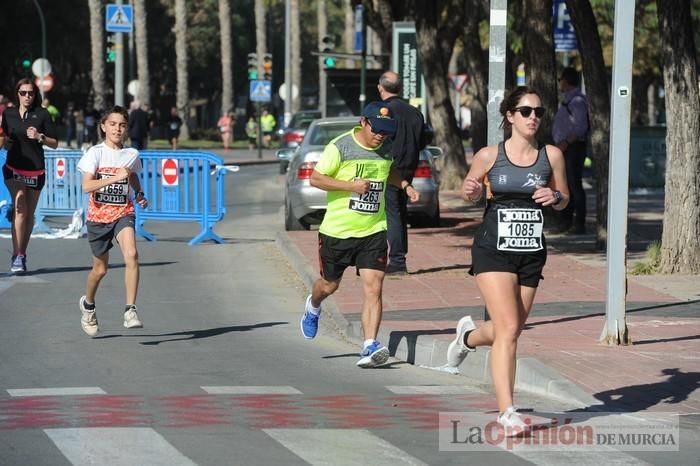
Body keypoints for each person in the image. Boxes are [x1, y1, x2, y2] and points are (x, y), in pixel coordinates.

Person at [446, 86, 569, 434]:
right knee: (510, 331)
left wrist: (555, 195)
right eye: (527, 111)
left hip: (531, 252)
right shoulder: (489, 155)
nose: (534, 118)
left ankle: (467, 337)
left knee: (506, 329)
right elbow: (469, 188)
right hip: (492, 248)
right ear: (510, 116)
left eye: (539, 112)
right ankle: (507, 411)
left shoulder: (552, 155)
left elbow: (564, 198)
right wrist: (470, 190)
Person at [299, 101, 420, 368]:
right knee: (329, 285)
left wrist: (406, 185)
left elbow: (389, 172)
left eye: (386, 131)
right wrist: (350, 186)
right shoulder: (340, 147)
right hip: (338, 231)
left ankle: (369, 344)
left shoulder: (386, 147)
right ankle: (314, 305)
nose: (380, 135)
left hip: (373, 230)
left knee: (374, 286)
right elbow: (316, 179)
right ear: (363, 122)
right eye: (376, 129)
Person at [76, 106, 148, 337]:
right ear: (103, 127)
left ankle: (130, 311)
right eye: (113, 124)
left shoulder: (132, 155)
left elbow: (132, 175)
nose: (118, 128)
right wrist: (113, 178)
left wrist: (139, 194)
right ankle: (88, 305)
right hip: (98, 217)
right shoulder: (94, 153)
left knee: (132, 254)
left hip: (122, 212)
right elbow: (86, 186)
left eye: (122, 125)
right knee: (100, 269)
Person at [0, 78, 58, 274]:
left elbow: (54, 143)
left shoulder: (42, 114)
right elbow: (4, 140)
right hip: (13, 168)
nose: (27, 96)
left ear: (35, 95)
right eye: (23, 92)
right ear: (17, 93)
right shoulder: (8, 114)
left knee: (28, 215)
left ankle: (22, 253)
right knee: (20, 205)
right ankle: (16, 254)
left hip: (35, 170)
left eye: (30, 93)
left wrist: (41, 137)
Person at [377, 70, 425, 275]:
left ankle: (396, 261)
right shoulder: (415, 112)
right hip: (409, 167)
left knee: (393, 214)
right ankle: (399, 255)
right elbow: (423, 141)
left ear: (381, 88)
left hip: (389, 168)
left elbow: (376, 140)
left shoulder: (383, 111)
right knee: (399, 212)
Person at [552, 67, 589, 235]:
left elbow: (581, 127)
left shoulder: (577, 101)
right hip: (565, 148)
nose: (560, 83)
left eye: (561, 80)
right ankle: (565, 222)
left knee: (574, 185)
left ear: (566, 82)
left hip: (573, 148)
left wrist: (566, 142)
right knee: (565, 185)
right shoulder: (569, 100)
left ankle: (578, 224)